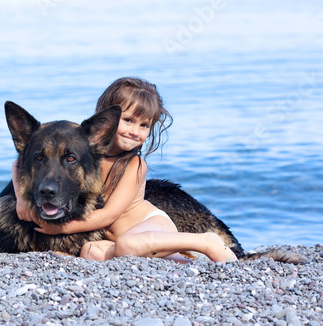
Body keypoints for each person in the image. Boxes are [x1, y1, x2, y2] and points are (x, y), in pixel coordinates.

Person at [13, 77, 237, 263]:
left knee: (127, 245)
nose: (134, 131)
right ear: (107, 123)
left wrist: (62, 230)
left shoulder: (134, 165)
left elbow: (109, 215)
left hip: (149, 225)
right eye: (128, 120)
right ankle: (189, 263)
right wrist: (21, 201)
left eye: (144, 125)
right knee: (90, 252)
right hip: (119, 241)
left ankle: (205, 242)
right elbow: (19, 164)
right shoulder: (86, 152)